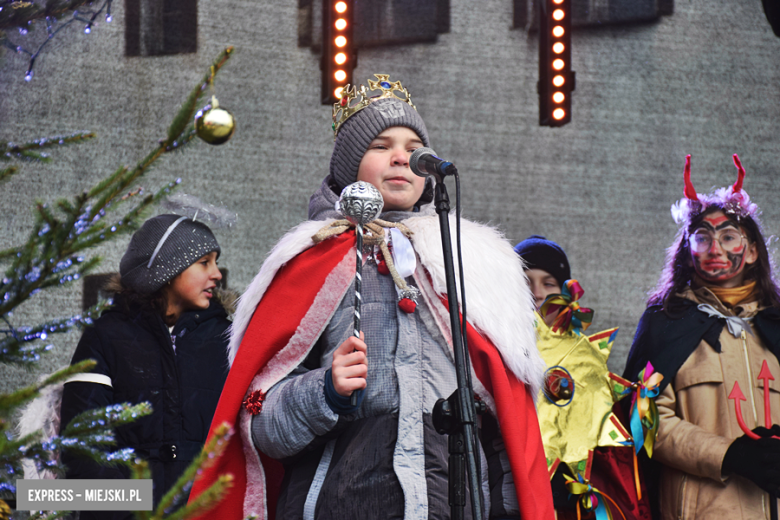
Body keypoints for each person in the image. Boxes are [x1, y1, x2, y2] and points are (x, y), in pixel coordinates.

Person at [188, 74, 554, 520]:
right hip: (343, 502)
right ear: (349, 167)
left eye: (413, 145)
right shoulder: (310, 262)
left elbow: (509, 421)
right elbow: (259, 423)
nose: (402, 156)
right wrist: (325, 391)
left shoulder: (471, 265)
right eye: (381, 145)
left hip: (454, 500)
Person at [623, 154, 780, 520]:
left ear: (753, 249)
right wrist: (729, 455)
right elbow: (642, 418)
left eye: (729, 237)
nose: (716, 250)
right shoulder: (665, 322)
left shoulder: (777, 326)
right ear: (687, 251)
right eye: (703, 238)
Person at [59, 214, 233, 518]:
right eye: (204, 262)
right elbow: (82, 443)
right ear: (168, 270)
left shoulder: (227, 339)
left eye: (216, 262)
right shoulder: (106, 335)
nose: (217, 274)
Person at [515, 236, 651, 520]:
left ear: (567, 293)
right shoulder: (490, 355)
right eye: (526, 282)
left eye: (548, 283)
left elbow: (615, 469)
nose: (537, 293)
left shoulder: (588, 364)